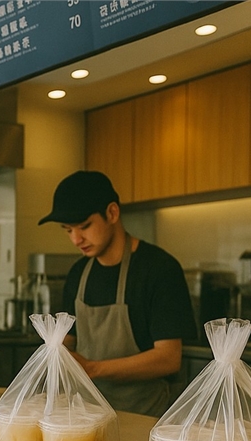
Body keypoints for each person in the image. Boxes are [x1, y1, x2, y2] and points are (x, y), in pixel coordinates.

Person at [37, 171, 196, 417]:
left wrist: (92, 368)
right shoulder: (78, 273)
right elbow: (68, 341)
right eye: (68, 230)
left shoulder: (159, 269)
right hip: (87, 416)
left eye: (84, 226)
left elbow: (168, 358)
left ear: (112, 213)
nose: (76, 239)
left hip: (143, 416)